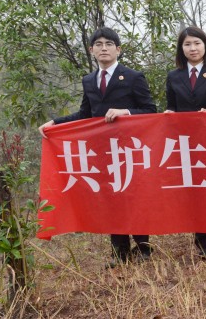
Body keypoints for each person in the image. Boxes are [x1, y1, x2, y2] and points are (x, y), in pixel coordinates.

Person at [39, 27, 157, 267]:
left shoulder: (133, 77)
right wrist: (55, 123)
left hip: (129, 150)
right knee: (111, 199)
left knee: (132, 198)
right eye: (99, 44)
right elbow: (85, 113)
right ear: (91, 50)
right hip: (102, 151)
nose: (104, 48)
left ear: (118, 50)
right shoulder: (89, 80)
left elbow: (150, 110)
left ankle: (143, 248)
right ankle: (119, 253)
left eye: (109, 44)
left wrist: (125, 112)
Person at [165, 26, 206, 258]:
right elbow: (172, 106)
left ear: (205, 46)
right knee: (197, 193)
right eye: (187, 44)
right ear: (181, 49)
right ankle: (203, 244)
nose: (193, 48)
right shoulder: (174, 77)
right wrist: (169, 114)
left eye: (197, 43)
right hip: (187, 144)